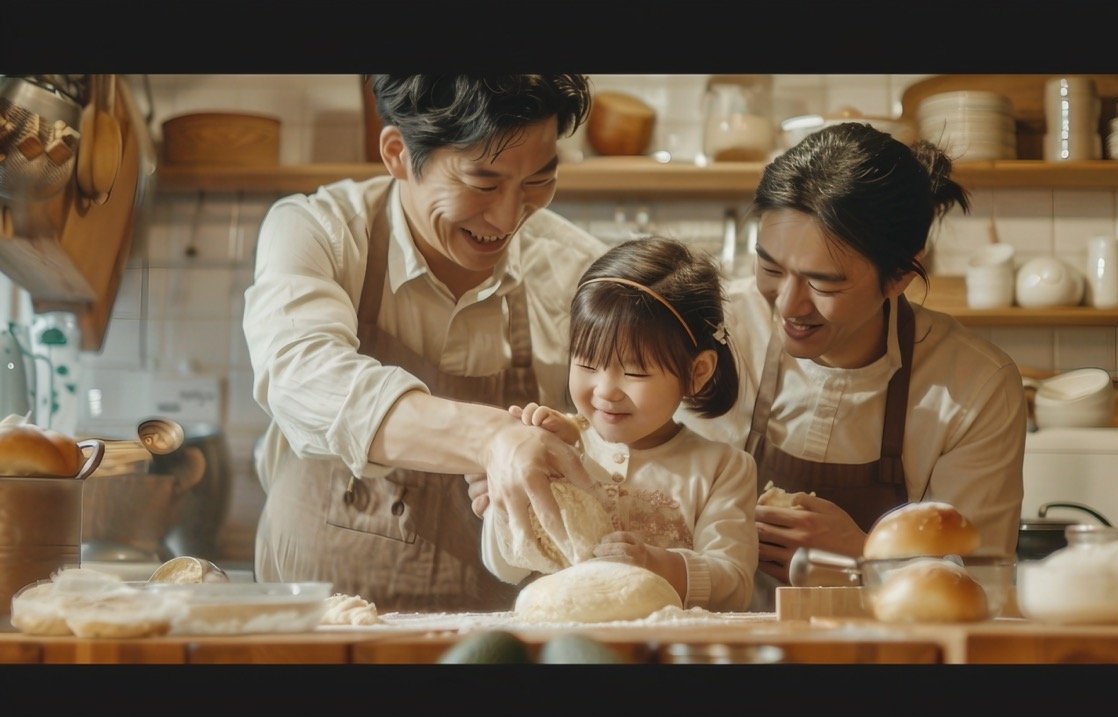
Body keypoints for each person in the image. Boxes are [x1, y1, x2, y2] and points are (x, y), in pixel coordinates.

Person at [243, 74, 609, 612]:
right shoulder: (318, 231)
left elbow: (629, 440)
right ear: (397, 153)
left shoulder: (580, 272)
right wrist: (490, 438)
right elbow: (299, 372)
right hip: (317, 630)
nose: (508, 218)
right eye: (483, 183)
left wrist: (570, 448)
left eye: (537, 181)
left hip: (503, 644)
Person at [676, 121, 1026, 609]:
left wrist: (865, 556)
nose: (788, 306)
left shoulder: (975, 386)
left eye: (824, 283)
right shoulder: (711, 331)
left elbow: (981, 587)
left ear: (899, 275)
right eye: (771, 269)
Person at [480, 237, 758, 611]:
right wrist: (520, 475)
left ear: (697, 372)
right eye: (587, 364)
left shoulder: (722, 469)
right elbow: (504, 566)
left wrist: (660, 565)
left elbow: (736, 585)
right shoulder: (555, 446)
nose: (606, 390)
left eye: (635, 371)